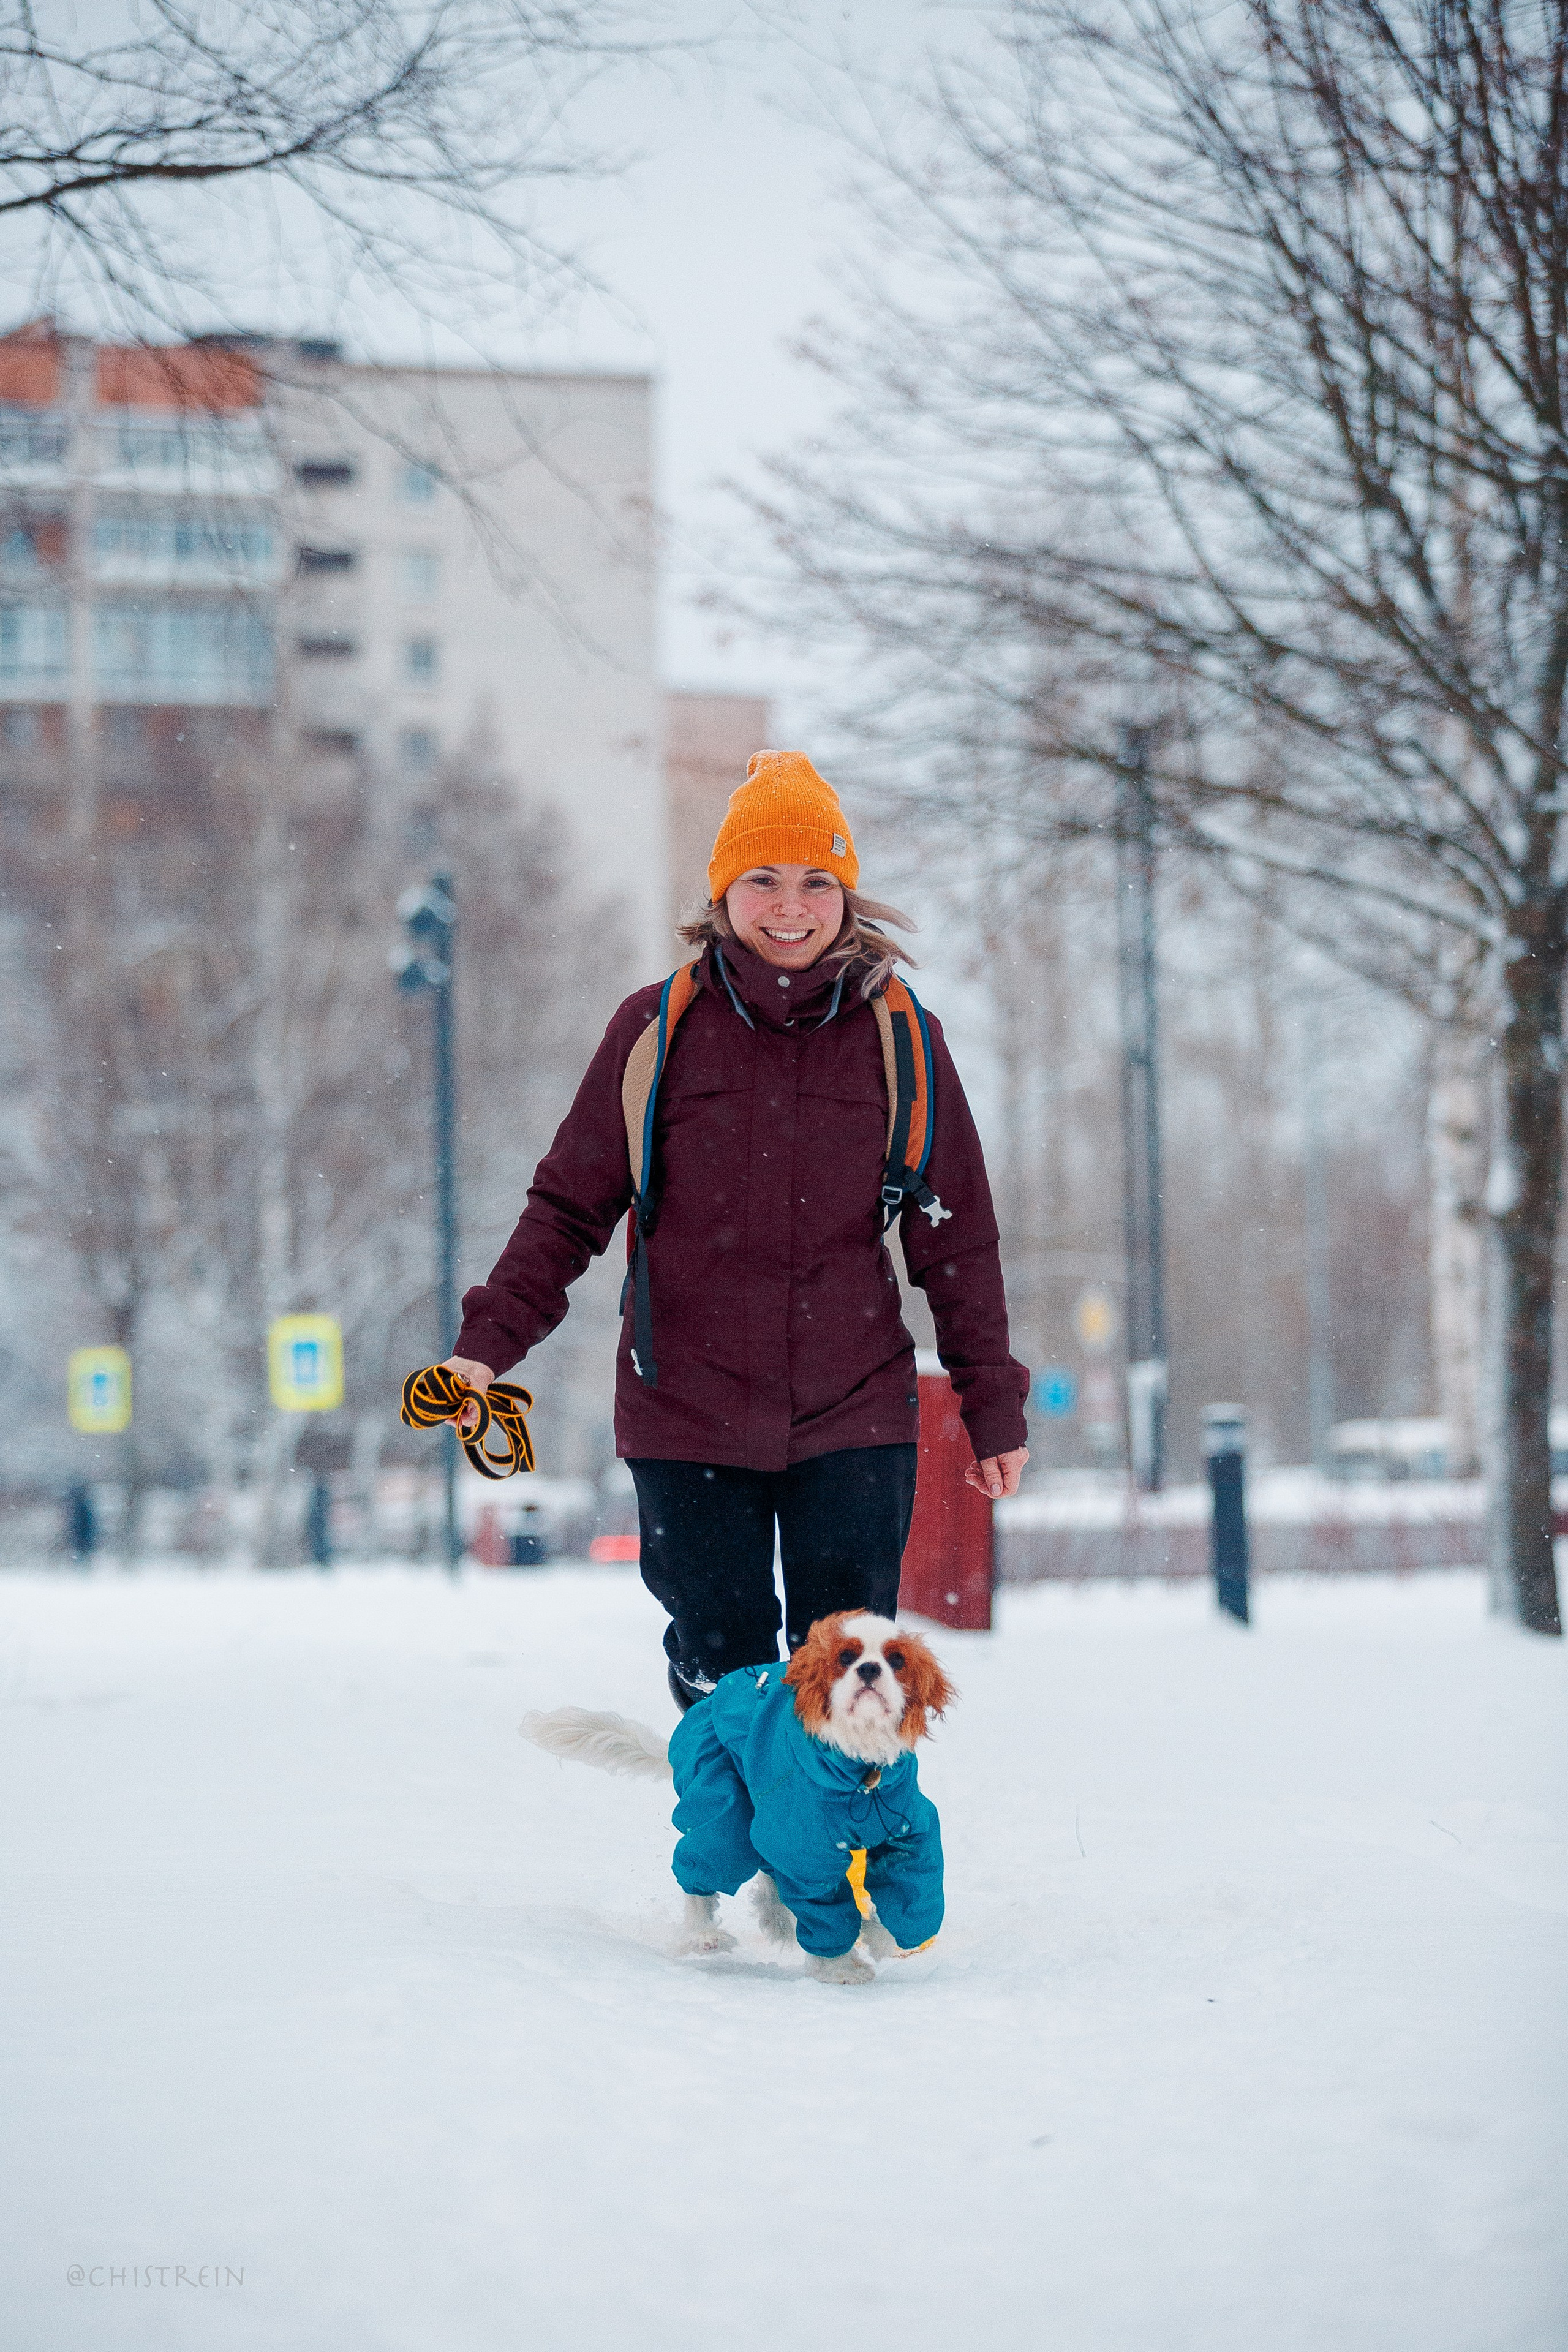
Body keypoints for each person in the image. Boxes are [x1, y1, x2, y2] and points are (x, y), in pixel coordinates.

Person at [443, 750, 1029, 1708]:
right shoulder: (656, 1030)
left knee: (848, 1682)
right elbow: (568, 1208)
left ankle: (830, 1815)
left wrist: (991, 1405)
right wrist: (484, 1349)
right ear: (722, 892)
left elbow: (955, 1238)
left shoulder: (902, 1038)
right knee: (725, 1678)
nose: (790, 905)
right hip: (687, 1409)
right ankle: (744, 1801)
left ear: (846, 894)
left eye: (816, 881)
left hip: (852, 1409)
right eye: (763, 878)